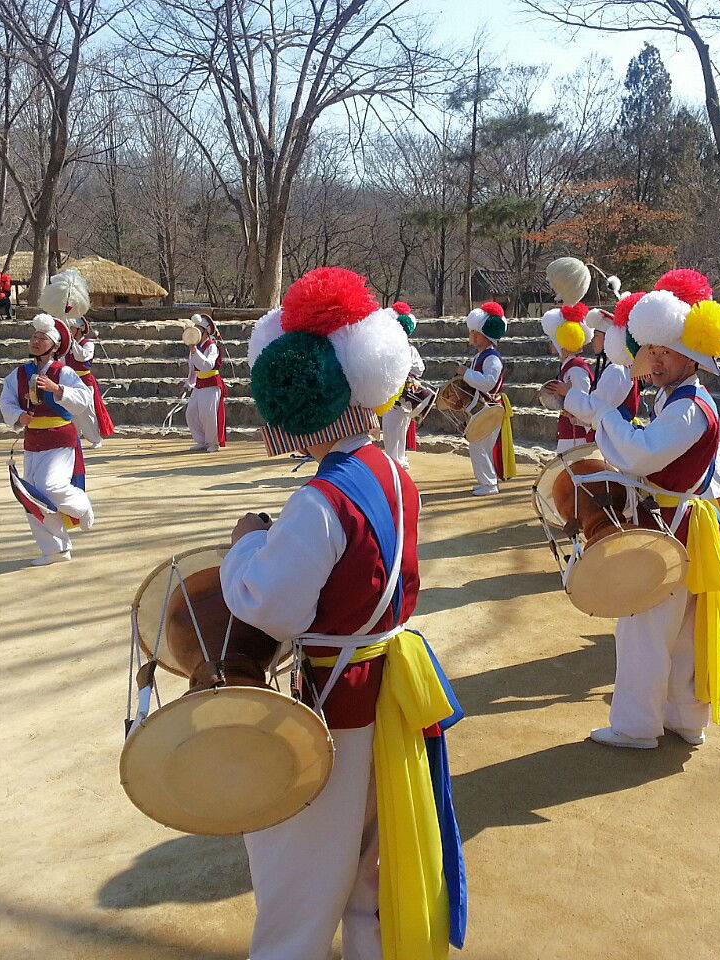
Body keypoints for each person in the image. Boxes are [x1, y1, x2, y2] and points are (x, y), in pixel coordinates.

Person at [222, 266, 466, 960]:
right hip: (390, 686)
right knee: (371, 861)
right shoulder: (393, 471)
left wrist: (245, 545)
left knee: (298, 866)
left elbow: (270, 607)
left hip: (335, 696)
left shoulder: (317, 502)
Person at [555, 269, 720, 749]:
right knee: (679, 634)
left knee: (643, 630)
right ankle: (684, 719)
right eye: (649, 348)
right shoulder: (678, 399)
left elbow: (640, 455)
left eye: (663, 351)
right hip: (680, 526)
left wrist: (609, 412)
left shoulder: (687, 406)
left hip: (671, 528)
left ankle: (636, 727)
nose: (651, 360)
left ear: (692, 355)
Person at [0, 314, 95, 565]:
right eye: (34, 337)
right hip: (33, 440)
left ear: (53, 345)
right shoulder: (19, 374)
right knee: (32, 497)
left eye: (42, 338)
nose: (36, 341)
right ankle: (55, 550)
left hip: (60, 439)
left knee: (50, 486)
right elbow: (6, 400)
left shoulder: (64, 372)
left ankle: (81, 505)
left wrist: (57, 389)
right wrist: (19, 416)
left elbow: (84, 398)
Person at [40, 268, 115, 448]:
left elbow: (82, 357)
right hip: (69, 379)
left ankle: (95, 439)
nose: (70, 331)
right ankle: (74, 437)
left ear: (80, 329)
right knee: (69, 409)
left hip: (85, 381)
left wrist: (71, 341)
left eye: (73, 329)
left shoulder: (88, 344)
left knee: (87, 412)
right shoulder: (66, 343)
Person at [458, 301, 515, 495]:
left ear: (486, 334)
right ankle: (487, 481)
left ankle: (489, 484)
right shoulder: (482, 356)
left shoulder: (491, 358)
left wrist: (465, 374)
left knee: (478, 444)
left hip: (490, 407)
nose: (472, 335)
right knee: (481, 445)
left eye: (476, 332)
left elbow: (489, 382)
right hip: (485, 407)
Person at [583, 305, 641, 442]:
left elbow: (597, 408)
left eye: (596, 335)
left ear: (608, 338)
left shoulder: (616, 369)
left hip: (613, 438)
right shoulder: (616, 367)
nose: (592, 340)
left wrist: (568, 394)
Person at [379, 301, 425, 469]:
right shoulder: (410, 348)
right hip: (407, 396)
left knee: (392, 430)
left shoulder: (392, 350)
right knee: (401, 429)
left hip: (395, 395)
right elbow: (420, 369)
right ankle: (400, 458)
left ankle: (394, 461)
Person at [540, 302, 592, 452]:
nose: (551, 343)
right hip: (570, 431)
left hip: (576, 434)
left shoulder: (575, 368)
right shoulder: (569, 366)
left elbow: (584, 400)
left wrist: (567, 396)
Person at [182, 313, 227, 452]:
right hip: (200, 383)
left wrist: (196, 351)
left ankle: (213, 443)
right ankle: (201, 440)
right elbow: (192, 367)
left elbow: (207, 365)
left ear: (205, 332)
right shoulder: (195, 347)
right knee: (191, 413)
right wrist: (189, 384)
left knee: (208, 414)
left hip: (212, 383)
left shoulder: (212, 347)